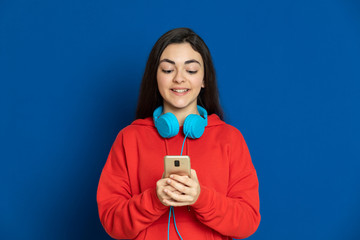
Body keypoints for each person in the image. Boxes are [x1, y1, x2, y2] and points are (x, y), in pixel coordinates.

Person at [97, 28, 261, 240]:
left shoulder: (230, 139)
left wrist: (201, 198)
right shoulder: (130, 138)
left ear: (204, 80)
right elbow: (112, 221)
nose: (179, 79)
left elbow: (248, 221)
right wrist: (155, 199)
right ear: (155, 77)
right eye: (167, 70)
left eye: (191, 70)